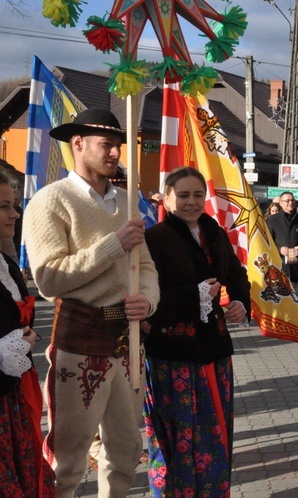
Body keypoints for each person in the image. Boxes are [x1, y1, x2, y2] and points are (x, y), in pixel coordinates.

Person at [23, 108, 160, 497]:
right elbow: (48, 278)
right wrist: (115, 244)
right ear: (77, 144)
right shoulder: (50, 202)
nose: (115, 153)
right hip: (79, 339)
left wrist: (147, 301)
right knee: (68, 460)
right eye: (107, 145)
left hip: (127, 337)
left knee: (126, 451)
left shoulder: (127, 201)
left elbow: (146, 266)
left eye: (118, 146)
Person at [142, 167, 250, 495]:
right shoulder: (154, 238)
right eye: (184, 195)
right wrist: (198, 294)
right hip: (173, 356)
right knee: (178, 437)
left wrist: (240, 303)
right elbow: (150, 301)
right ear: (166, 197)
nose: (192, 202)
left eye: (198, 195)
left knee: (214, 433)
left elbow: (237, 274)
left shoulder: (214, 232)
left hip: (214, 351)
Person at [0, 170, 55, 497]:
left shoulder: (5, 264)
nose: (15, 215)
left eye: (14, 205)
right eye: (4, 207)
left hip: (15, 396)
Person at [266, 191, 298, 302]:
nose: (290, 203)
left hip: (296, 265)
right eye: (287, 201)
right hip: (278, 265)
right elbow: (267, 240)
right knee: (279, 298)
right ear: (281, 203)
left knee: (295, 298)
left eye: (292, 200)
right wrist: (279, 249)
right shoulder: (273, 220)